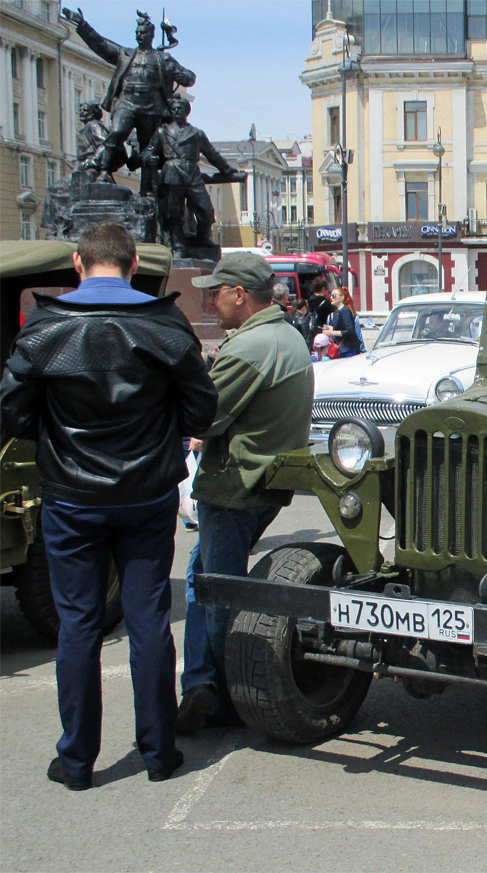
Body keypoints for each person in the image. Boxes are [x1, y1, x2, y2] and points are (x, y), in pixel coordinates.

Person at [0, 222, 217, 788]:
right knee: (148, 621)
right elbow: (200, 405)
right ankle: (159, 753)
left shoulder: (48, 324)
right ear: (130, 264)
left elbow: (13, 411)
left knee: (78, 625)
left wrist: (55, 439)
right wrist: (166, 435)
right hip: (144, 492)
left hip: (71, 496)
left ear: (78, 263)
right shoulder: (163, 321)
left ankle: (76, 762)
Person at [176, 253, 314, 735]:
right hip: (262, 483)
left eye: (216, 293)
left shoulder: (250, 347)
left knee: (217, 591)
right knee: (205, 577)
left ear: (240, 295)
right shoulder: (286, 336)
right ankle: (202, 682)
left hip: (234, 486)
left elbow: (202, 416)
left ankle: (217, 693)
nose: (211, 302)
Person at [62, 8, 196, 187]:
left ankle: (147, 188)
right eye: (138, 33)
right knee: (116, 132)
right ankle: (104, 171)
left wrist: (185, 76)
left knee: (149, 148)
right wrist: (83, 26)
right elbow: (101, 46)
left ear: (151, 35)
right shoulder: (125, 54)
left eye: (143, 33)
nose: (140, 36)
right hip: (127, 102)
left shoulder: (163, 59)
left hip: (151, 105)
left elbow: (188, 76)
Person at [142, 96, 239, 257]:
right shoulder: (162, 132)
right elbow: (148, 151)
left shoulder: (196, 133)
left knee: (206, 211)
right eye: (174, 109)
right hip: (171, 173)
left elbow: (211, 154)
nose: (177, 111)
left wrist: (226, 169)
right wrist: (149, 158)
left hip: (192, 174)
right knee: (174, 214)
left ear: (187, 111)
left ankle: (202, 239)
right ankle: (179, 248)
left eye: (180, 109)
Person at [322, 286, 362, 357]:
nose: (331, 297)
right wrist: (331, 328)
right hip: (343, 349)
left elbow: (349, 330)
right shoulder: (337, 312)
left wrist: (331, 332)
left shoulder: (345, 311)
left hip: (348, 349)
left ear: (342, 297)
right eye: (330, 295)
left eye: (334, 295)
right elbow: (342, 328)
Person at [306, 276, 334, 344]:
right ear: (323, 288)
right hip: (323, 330)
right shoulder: (326, 302)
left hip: (311, 329)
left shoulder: (308, 301)